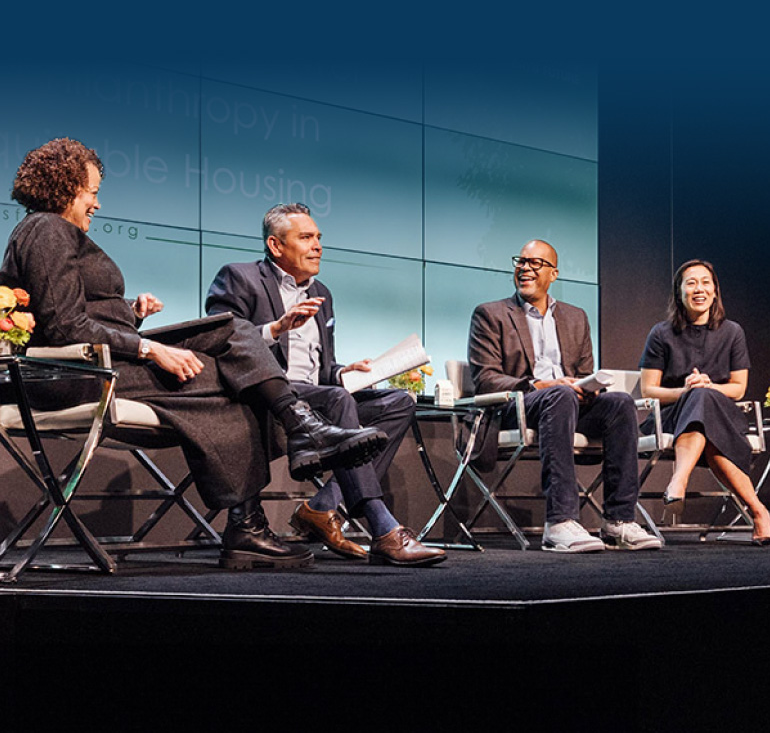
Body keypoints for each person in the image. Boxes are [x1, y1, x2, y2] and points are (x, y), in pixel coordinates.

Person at [0, 138, 388, 571]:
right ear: (67, 187)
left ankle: (291, 441)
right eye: (91, 191)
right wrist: (150, 348)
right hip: (72, 377)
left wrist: (129, 314)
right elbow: (64, 327)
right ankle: (252, 516)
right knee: (235, 377)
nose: (97, 203)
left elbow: (72, 311)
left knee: (232, 330)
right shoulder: (47, 229)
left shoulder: (49, 233)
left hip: (102, 364)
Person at [206, 202, 447, 567]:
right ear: (275, 246)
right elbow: (219, 340)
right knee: (336, 401)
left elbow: (321, 368)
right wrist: (276, 329)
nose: (317, 245)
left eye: (318, 237)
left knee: (399, 402)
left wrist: (342, 372)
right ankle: (382, 529)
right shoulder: (240, 277)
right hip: (267, 402)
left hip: (319, 398)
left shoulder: (322, 291)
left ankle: (323, 506)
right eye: (306, 237)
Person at [468, 238, 662, 552]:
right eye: (521, 261)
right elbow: (486, 379)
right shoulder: (491, 315)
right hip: (517, 404)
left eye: (535, 263)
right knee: (559, 396)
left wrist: (586, 388)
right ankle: (559, 522)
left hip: (568, 403)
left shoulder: (576, 317)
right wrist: (541, 385)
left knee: (620, 403)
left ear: (553, 274)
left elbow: (585, 372)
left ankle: (618, 521)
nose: (525, 268)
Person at [639, 259, 770, 544]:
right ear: (679, 292)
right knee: (702, 407)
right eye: (691, 282)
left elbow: (738, 388)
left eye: (705, 282)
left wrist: (708, 387)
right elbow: (648, 389)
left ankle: (678, 480)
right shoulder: (661, 333)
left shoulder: (732, 332)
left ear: (714, 291)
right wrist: (685, 391)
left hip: (722, 410)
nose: (699, 289)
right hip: (671, 415)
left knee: (705, 402)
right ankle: (760, 512)